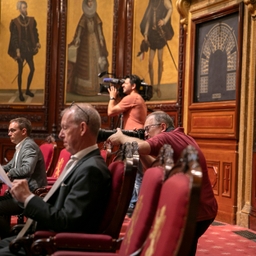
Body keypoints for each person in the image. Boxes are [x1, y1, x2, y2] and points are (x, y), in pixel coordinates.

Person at [0, 103, 112, 255]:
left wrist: (28, 198)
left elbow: (66, 222)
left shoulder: (91, 169)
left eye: (65, 128)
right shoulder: (83, 162)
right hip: (42, 236)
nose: (60, 134)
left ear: (82, 128)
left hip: (53, 245)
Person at [108, 111, 218, 255]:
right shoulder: (178, 137)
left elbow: (141, 147)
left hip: (196, 209)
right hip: (200, 207)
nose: (145, 134)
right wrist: (139, 151)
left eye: (148, 129)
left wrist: (122, 137)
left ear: (163, 126)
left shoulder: (167, 137)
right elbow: (155, 167)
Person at [0, 117, 47, 239]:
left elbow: (27, 169)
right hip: (19, 192)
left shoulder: (28, 146)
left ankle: (6, 239)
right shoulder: (21, 146)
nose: (9, 133)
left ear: (23, 131)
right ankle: (6, 238)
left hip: (28, 194)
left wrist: (9, 174)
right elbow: (9, 166)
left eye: (12, 130)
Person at [108, 74, 147, 216]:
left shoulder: (132, 97)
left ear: (134, 86)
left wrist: (112, 97)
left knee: (135, 173)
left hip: (131, 137)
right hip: (134, 136)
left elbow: (110, 111)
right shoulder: (136, 98)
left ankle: (136, 204)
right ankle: (135, 202)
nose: (123, 85)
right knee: (135, 172)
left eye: (125, 83)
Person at [68, 0, 109, 96]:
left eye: (91, 2)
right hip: (85, 42)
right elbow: (79, 29)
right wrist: (77, 38)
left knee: (98, 64)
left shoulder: (96, 16)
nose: (90, 4)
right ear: (86, 4)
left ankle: (99, 87)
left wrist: (101, 39)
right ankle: (86, 89)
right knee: (86, 64)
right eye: (88, 2)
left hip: (95, 42)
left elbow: (99, 29)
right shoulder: (84, 17)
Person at [140, 0, 174, 98]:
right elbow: (148, 19)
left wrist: (164, 21)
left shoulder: (164, 1)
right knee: (150, 62)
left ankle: (158, 86)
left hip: (160, 34)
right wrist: (146, 33)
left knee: (160, 61)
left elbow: (170, 8)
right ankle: (152, 85)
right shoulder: (152, 2)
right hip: (152, 35)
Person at [8, 1, 41, 102]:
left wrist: (37, 43)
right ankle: (20, 93)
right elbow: (14, 38)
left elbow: (35, 33)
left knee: (32, 69)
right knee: (20, 72)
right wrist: (17, 51)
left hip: (28, 49)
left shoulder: (31, 20)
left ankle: (27, 90)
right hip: (20, 50)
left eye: (25, 7)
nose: (25, 9)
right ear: (19, 9)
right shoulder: (15, 22)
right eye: (23, 8)